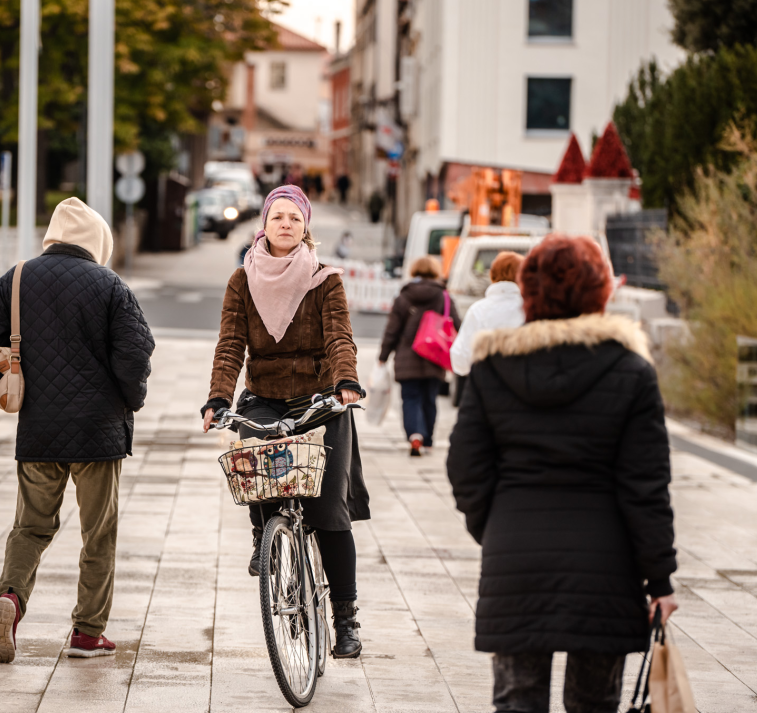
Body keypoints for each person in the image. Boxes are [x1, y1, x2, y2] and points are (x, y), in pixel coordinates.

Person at [446, 235, 677, 713]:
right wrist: (660, 580)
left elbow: (465, 468)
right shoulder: (631, 372)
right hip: (606, 566)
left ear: (529, 292)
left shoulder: (493, 367)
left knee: (517, 701)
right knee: (594, 704)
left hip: (515, 559)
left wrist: (494, 527)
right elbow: (645, 488)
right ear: (601, 292)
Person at [0, 197, 154, 663]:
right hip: (98, 432)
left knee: (31, 527)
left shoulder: (14, 280)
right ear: (97, 240)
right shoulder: (110, 285)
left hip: (38, 430)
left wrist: (10, 389)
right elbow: (135, 354)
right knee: (99, 535)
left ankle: (11, 600)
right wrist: (129, 400)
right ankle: (86, 633)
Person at [201, 184, 370, 658]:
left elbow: (340, 337)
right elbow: (231, 344)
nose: (286, 225)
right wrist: (218, 396)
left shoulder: (324, 279)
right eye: (277, 217)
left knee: (330, 514)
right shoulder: (242, 279)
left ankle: (346, 620)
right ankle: (264, 534)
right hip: (265, 397)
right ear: (264, 224)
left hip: (318, 399)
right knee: (250, 452)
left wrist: (345, 384)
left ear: (305, 226)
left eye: (294, 218)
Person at [377, 256, 461, 457]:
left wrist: (383, 355)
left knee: (410, 398)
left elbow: (392, 330)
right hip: (435, 357)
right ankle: (429, 441)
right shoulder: (444, 296)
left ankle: (415, 435)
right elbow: (458, 325)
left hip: (408, 357)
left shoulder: (403, 297)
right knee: (429, 399)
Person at [449, 251, 525, 377]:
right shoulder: (529, 309)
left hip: (486, 384)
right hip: (523, 385)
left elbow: (461, 358)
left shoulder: (478, 309)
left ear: (492, 275)